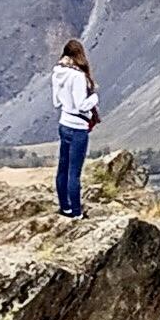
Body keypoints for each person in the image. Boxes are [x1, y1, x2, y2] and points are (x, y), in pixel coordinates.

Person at [50, 37, 100, 217]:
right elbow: (81, 105)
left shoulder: (57, 72)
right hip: (78, 127)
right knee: (74, 173)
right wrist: (94, 98)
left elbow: (56, 101)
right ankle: (77, 213)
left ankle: (65, 207)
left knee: (62, 168)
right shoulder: (78, 76)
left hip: (64, 123)